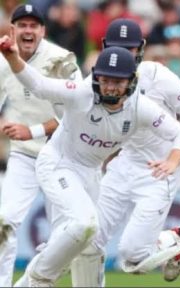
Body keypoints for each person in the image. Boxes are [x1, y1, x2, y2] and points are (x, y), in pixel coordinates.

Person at [0, 32, 180, 286]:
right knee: (83, 224)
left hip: (90, 172)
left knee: (90, 244)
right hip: (58, 164)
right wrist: (12, 57)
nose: (110, 87)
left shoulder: (139, 107)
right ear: (96, 76)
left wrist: (173, 161)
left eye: (118, 82)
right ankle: (39, 280)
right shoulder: (81, 92)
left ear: (131, 82)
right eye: (105, 79)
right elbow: (38, 84)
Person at [69, 19, 180, 286]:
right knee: (88, 239)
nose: (121, 56)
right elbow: (71, 111)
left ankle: (173, 238)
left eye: (128, 49)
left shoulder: (158, 76)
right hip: (124, 163)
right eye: (116, 48)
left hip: (161, 169)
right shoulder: (97, 79)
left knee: (132, 258)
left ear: (141, 48)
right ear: (104, 47)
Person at [0, 4, 82, 286]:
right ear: (12, 30)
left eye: (34, 26)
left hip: (62, 155)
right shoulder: (2, 63)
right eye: (22, 25)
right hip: (24, 155)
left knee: (66, 236)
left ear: (43, 31)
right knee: (5, 222)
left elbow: (78, 112)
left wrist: (31, 130)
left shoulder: (61, 60)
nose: (28, 30)